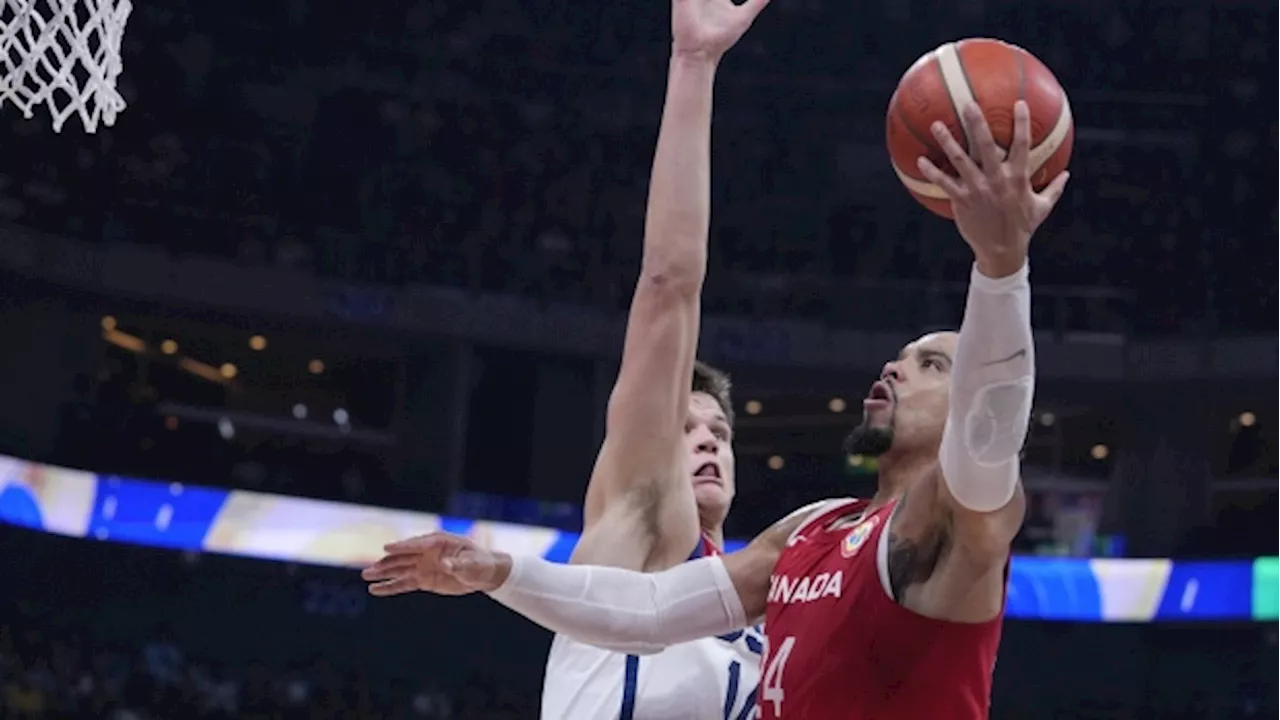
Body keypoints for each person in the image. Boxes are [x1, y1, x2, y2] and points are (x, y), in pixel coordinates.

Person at [365, 102, 1068, 719]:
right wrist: (497, 572)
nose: (894, 366)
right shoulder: (810, 529)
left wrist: (1001, 269)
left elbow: (990, 435)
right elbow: (649, 612)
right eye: (902, 356)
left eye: (932, 364)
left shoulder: (959, 517)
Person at [364, 0, 769, 717]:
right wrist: (694, 67)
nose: (707, 438)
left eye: (721, 433)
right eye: (686, 426)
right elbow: (669, 286)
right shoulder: (648, 518)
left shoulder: (757, 604)